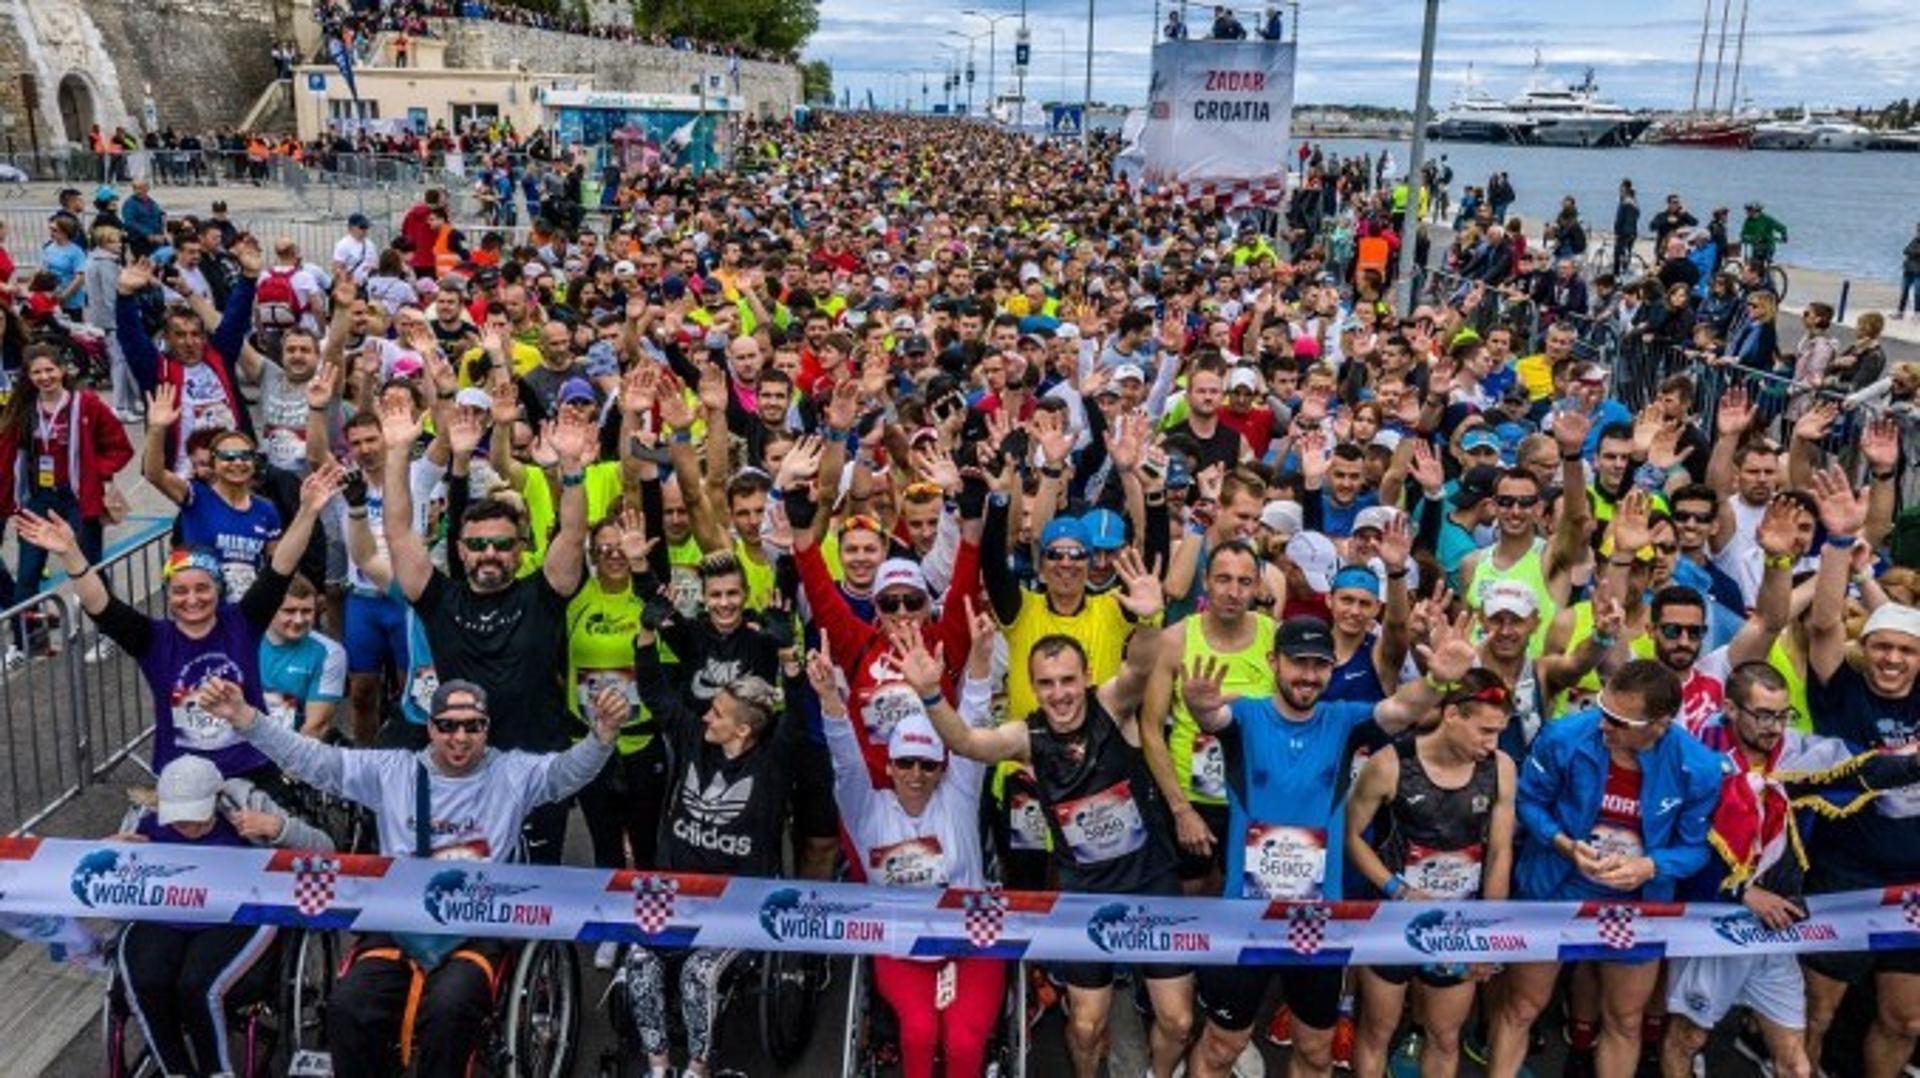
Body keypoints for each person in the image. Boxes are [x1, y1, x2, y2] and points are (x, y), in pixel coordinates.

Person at [203, 676, 621, 1078]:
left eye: (472, 727)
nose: (460, 738)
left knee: (450, 1007)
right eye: (448, 726)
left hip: (475, 929)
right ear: (430, 728)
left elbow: (566, 773)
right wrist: (247, 719)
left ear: (487, 728)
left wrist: (601, 736)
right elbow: (315, 761)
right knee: (348, 1006)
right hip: (397, 927)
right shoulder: (392, 771)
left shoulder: (512, 774)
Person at [1175, 611, 1483, 1078]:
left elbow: (1400, 710)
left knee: (1317, 1052)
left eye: (1319, 665)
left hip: (1317, 924)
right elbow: (1212, 715)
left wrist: (1438, 682)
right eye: (1298, 663)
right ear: (1273, 661)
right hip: (1247, 919)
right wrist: (1197, 705)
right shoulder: (1246, 718)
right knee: (1221, 1047)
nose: (1309, 675)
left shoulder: (1345, 722)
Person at [921, 631, 1188, 1078]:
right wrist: (931, 694)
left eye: (1068, 680)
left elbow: (1141, 667)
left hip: (1149, 880)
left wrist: (1146, 619)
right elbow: (967, 743)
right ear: (1033, 686)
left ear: (1086, 676)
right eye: (1047, 684)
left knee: (1178, 1022)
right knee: (1086, 1027)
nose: (1060, 694)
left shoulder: (1110, 705)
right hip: (1085, 893)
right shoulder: (1028, 736)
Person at [1660, 661, 1920, 1078]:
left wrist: (1912, 765)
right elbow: (1678, 847)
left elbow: (1859, 769)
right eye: (1763, 715)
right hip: (1718, 922)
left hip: (1777, 928)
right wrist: (1741, 892)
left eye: (1783, 715)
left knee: (1795, 1062)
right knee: (1685, 1040)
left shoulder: (1796, 752)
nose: (1775, 727)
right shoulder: (1697, 761)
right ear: (1730, 708)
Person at [378, 380, 592, 863]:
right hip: (464, 771)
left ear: (520, 551)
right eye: (476, 545)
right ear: (460, 550)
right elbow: (396, 531)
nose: (489, 553)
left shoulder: (544, 593)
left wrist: (573, 471)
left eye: (501, 544)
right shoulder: (439, 598)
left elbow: (573, 536)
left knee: (536, 888)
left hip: (537, 768)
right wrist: (396, 455)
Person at [14, 463, 337, 782]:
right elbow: (102, 607)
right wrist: (71, 553)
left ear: (217, 590)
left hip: (252, 768)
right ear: (167, 595)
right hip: (182, 777)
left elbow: (281, 566)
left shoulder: (243, 622)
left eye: (202, 588)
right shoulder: (152, 638)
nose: (192, 599)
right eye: (180, 591)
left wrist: (307, 511)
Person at [1489, 659, 1725, 1078]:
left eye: (1619, 720)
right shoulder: (1564, 735)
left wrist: (1651, 867)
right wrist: (1562, 843)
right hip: (1557, 889)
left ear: (1660, 724)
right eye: (1602, 709)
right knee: (1521, 1007)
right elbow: (1527, 802)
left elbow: (1696, 850)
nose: (1604, 725)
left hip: (1635, 907)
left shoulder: (1699, 766)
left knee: (1625, 1021)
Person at [618, 591, 808, 1078]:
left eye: (718, 714)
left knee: (699, 974)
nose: (706, 716)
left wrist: (789, 658)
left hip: (736, 908)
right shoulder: (691, 739)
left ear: (744, 731)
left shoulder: (772, 762)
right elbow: (659, 696)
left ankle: (698, 1070)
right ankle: (659, 1068)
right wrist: (645, 637)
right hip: (672, 897)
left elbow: (800, 718)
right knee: (639, 962)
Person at [817, 610, 1003, 1078]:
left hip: (972, 941)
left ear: (942, 766)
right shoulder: (868, 807)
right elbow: (845, 760)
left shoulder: (958, 796)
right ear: (891, 765)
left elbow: (974, 722)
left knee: (962, 1043)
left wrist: (979, 659)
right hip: (901, 944)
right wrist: (828, 701)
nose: (916, 775)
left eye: (926, 764)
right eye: (905, 764)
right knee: (918, 1034)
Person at [110, 754, 332, 1078]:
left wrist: (278, 828)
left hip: (238, 910)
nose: (186, 827)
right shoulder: (144, 815)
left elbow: (326, 851)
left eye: (195, 817)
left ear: (214, 800)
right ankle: (177, 1071)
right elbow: (105, 881)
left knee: (198, 986)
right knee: (146, 980)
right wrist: (107, 851)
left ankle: (218, 1073)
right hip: (166, 912)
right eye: (178, 819)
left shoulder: (245, 801)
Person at [1344, 668, 1518, 1078]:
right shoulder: (1391, 764)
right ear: (1453, 715)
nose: (1492, 743)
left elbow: (1499, 853)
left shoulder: (1501, 767)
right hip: (1393, 920)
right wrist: (1397, 890)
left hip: (1456, 926)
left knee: (1443, 1036)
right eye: (1485, 731)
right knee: (1377, 1031)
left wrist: (1486, 934)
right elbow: (1349, 836)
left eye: (1499, 732)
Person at [0, 344, 133, 668]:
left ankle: (107, 635)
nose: (45, 377)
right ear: (28, 377)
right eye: (37, 372)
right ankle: (24, 643)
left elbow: (120, 446)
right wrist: (9, 504)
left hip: (77, 499)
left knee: (89, 569)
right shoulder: (23, 411)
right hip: (38, 500)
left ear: (62, 370)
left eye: (50, 370)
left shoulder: (86, 404)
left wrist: (97, 474)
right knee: (28, 575)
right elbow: (8, 460)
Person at [1738, 202, 1788, 271]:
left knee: (1764, 266)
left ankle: (1768, 279)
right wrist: (1745, 238)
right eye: (1747, 211)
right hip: (1756, 247)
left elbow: (1781, 227)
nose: (1747, 213)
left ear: (1756, 211)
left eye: (1749, 211)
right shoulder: (1748, 221)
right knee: (1754, 266)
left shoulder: (1767, 219)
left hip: (1768, 246)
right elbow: (1743, 233)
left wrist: (1784, 236)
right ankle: (1757, 279)